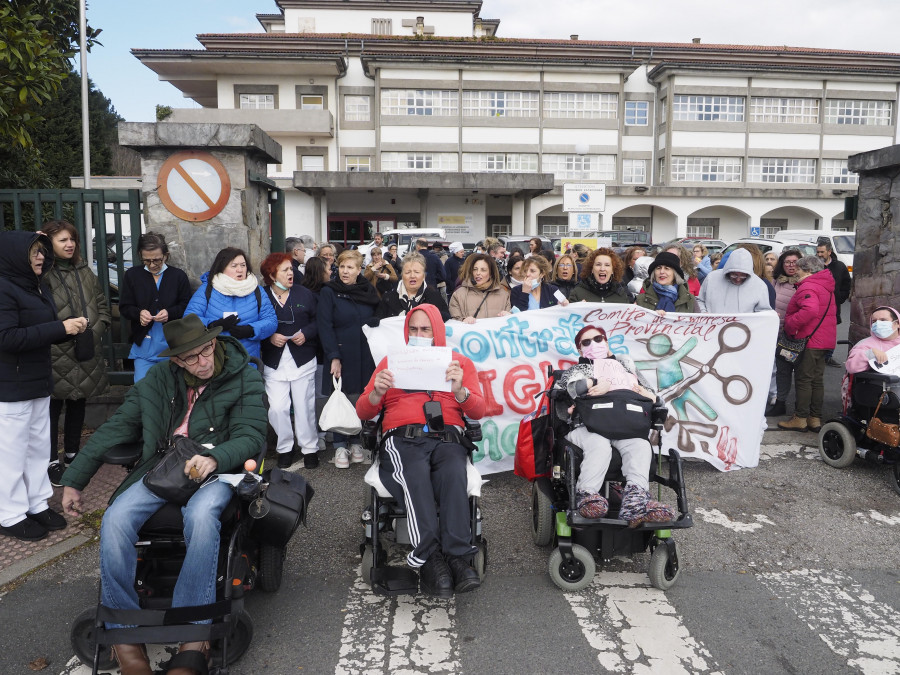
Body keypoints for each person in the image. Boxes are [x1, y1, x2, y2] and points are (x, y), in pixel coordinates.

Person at [60, 314, 267, 675]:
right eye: (191, 357)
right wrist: (75, 480)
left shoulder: (244, 374)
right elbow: (116, 427)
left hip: (215, 470)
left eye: (206, 350)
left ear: (214, 342)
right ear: (175, 360)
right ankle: (126, 638)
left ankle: (194, 638)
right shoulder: (157, 379)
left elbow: (252, 434)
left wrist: (215, 457)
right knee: (115, 519)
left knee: (201, 517)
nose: (203, 361)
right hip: (163, 470)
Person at [356, 304, 485, 597]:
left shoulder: (459, 362)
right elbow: (363, 408)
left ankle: (456, 555)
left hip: (446, 435)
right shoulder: (392, 362)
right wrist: (376, 391)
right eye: (413, 329)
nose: (418, 334)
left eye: (425, 329)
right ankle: (429, 556)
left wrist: (460, 390)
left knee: (454, 472)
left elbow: (480, 408)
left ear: (437, 331)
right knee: (414, 473)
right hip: (403, 437)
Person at [0, 231, 85, 541]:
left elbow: (38, 332)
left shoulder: (35, 287)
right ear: (14, 257)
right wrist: (58, 327)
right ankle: (9, 513)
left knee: (37, 449)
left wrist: (66, 329)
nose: (40, 257)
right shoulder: (4, 288)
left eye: (41, 252)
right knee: (11, 455)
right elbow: (6, 338)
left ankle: (36, 503)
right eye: (34, 252)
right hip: (11, 386)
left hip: (37, 382)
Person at [556, 325, 675, 526]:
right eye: (586, 342)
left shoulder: (627, 368)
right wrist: (594, 383)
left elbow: (657, 400)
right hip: (586, 427)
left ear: (606, 342)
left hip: (625, 425)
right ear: (579, 350)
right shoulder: (577, 370)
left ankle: (635, 503)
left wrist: (651, 396)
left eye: (598, 339)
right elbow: (565, 391)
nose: (594, 344)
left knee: (640, 445)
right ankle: (587, 496)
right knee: (599, 444)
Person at [42, 220, 111, 486]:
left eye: (72, 239)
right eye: (62, 240)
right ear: (48, 243)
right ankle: (49, 461)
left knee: (78, 402)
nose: (69, 244)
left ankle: (72, 454)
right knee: (50, 408)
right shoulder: (41, 273)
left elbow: (101, 303)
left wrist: (99, 327)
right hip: (55, 351)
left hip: (85, 349)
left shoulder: (84, 270)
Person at [317, 249, 379, 467]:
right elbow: (324, 326)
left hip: (364, 353)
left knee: (359, 397)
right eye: (342, 266)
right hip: (340, 351)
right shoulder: (329, 291)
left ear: (359, 269)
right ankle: (340, 445)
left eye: (350, 267)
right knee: (340, 397)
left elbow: (377, 314)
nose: (345, 271)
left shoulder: (368, 289)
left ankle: (356, 441)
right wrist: (333, 356)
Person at [260, 253, 320, 470]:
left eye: (291, 269)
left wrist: (306, 333)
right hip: (274, 361)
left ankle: (309, 448)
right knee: (277, 408)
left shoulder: (305, 294)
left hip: (302, 358)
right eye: (285, 270)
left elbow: (317, 321)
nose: (290, 273)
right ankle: (285, 447)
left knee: (304, 405)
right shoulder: (261, 296)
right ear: (271, 274)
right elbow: (256, 323)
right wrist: (269, 336)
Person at [119, 232, 192, 383]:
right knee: (144, 390)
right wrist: (139, 313)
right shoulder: (132, 275)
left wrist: (170, 313)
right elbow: (125, 307)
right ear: (140, 255)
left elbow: (187, 306)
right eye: (146, 260)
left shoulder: (178, 276)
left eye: (157, 260)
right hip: (144, 347)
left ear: (166, 255)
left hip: (173, 347)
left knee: (172, 390)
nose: (152, 265)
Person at [777, 256, 837, 433]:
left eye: (799, 269)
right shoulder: (825, 285)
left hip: (809, 341)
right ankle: (814, 418)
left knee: (803, 380)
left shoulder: (808, 286)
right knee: (817, 381)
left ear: (808, 270)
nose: (796, 272)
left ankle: (800, 418)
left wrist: (790, 324)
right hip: (825, 340)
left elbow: (810, 309)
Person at [185, 247, 277, 360]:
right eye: (234, 266)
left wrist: (251, 330)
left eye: (243, 265)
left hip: (248, 362)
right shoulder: (206, 290)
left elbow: (271, 321)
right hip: (215, 362)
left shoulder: (257, 290)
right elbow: (188, 320)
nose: (240, 270)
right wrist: (213, 325)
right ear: (222, 268)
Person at [766, 249, 803, 417]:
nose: (790, 265)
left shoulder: (802, 283)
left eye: (794, 262)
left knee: (793, 368)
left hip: (793, 332)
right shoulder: (776, 281)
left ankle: (798, 407)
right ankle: (776, 398)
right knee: (776, 367)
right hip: (775, 329)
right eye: (787, 262)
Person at [375, 252, 450, 321]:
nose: (412, 276)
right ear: (402, 275)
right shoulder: (388, 298)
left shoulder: (435, 297)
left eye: (417, 272)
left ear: (423, 276)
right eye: (408, 272)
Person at [696, 248, 772, 314]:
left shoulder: (759, 285)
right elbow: (700, 300)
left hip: (744, 330)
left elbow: (763, 313)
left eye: (743, 275)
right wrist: (703, 313)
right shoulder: (712, 278)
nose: (738, 279)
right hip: (713, 328)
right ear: (728, 271)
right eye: (734, 275)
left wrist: (769, 316)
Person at [817, 239, 852, 367]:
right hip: (817, 306)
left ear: (829, 252)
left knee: (830, 332)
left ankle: (828, 357)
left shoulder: (840, 266)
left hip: (833, 307)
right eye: (818, 252)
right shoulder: (814, 265)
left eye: (822, 252)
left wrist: (840, 298)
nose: (819, 254)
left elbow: (846, 284)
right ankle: (817, 356)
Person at [449, 252, 512, 323]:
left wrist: (509, 316)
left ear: (491, 273)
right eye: (475, 269)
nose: (478, 273)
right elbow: (454, 323)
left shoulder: (503, 295)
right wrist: (463, 320)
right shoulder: (458, 295)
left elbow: (510, 324)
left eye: (483, 270)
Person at [846, 307, 900, 374]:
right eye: (874, 321)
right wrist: (870, 353)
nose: (878, 324)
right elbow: (852, 368)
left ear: (897, 323)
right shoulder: (865, 345)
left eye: (883, 320)